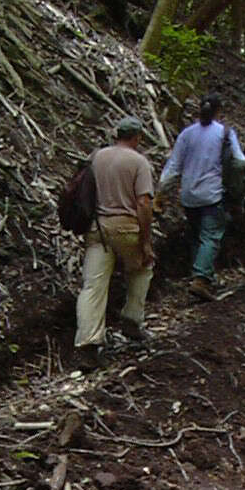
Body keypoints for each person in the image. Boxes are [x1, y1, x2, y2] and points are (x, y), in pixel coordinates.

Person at [74, 115, 155, 370]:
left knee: (93, 286)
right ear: (137, 138)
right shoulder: (139, 162)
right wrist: (145, 241)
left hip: (97, 228)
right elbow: (143, 203)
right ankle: (132, 319)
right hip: (126, 227)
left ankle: (88, 343)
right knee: (142, 268)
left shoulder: (98, 157)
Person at [156, 93, 245, 300]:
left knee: (197, 235)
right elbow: (240, 161)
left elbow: (173, 167)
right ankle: (201, 278)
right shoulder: (225, 133)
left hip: (188, 195)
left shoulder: (187, 134)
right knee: (211, 236)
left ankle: (202, 273)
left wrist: (160, 193)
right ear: (218, 111)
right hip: (212, 194)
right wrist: (236, 187)